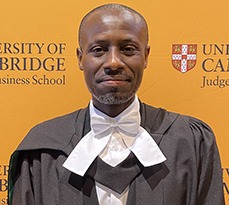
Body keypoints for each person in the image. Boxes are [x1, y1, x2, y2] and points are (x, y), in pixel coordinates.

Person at [8, 3, 225, 205]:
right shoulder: (42, 151)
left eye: (128, 49)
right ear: (80, 58)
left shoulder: (191, 143)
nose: (113, 62)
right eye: (98, 50)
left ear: (146, 56)